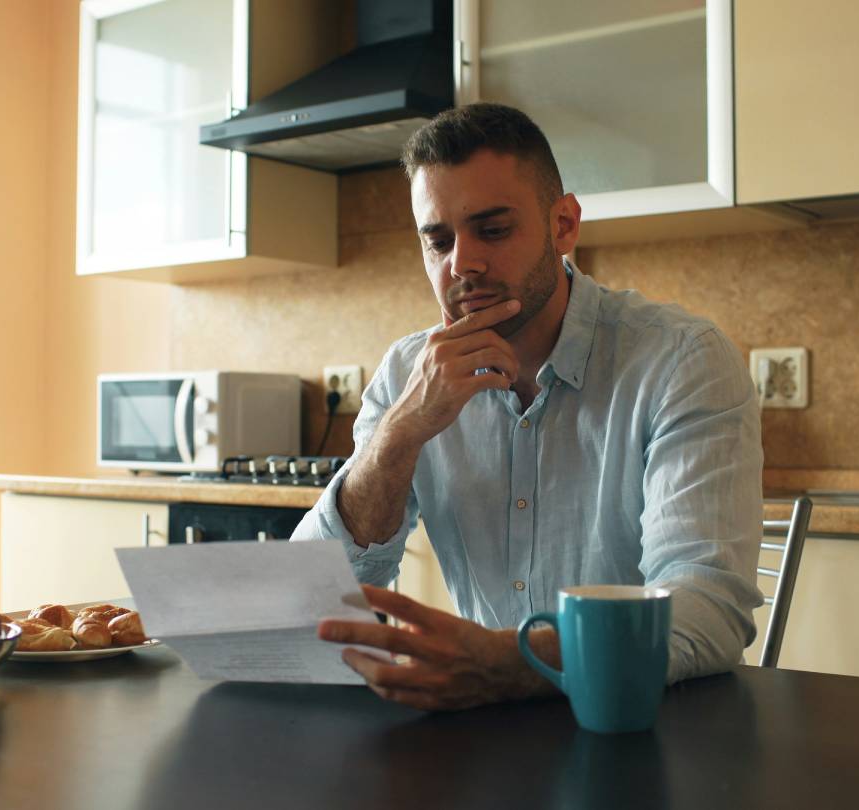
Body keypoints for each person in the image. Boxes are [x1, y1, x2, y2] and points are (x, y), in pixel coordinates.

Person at [290, 103, 763, 711]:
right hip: (483, 734)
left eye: (492, 229)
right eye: (437, 241)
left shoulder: (681, 361)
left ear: (564, 224)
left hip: (647, 728)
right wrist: (398, 435)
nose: (462, 263)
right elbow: (310, 599)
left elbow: (705, 610)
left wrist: (506, 664)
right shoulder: (409, 375)